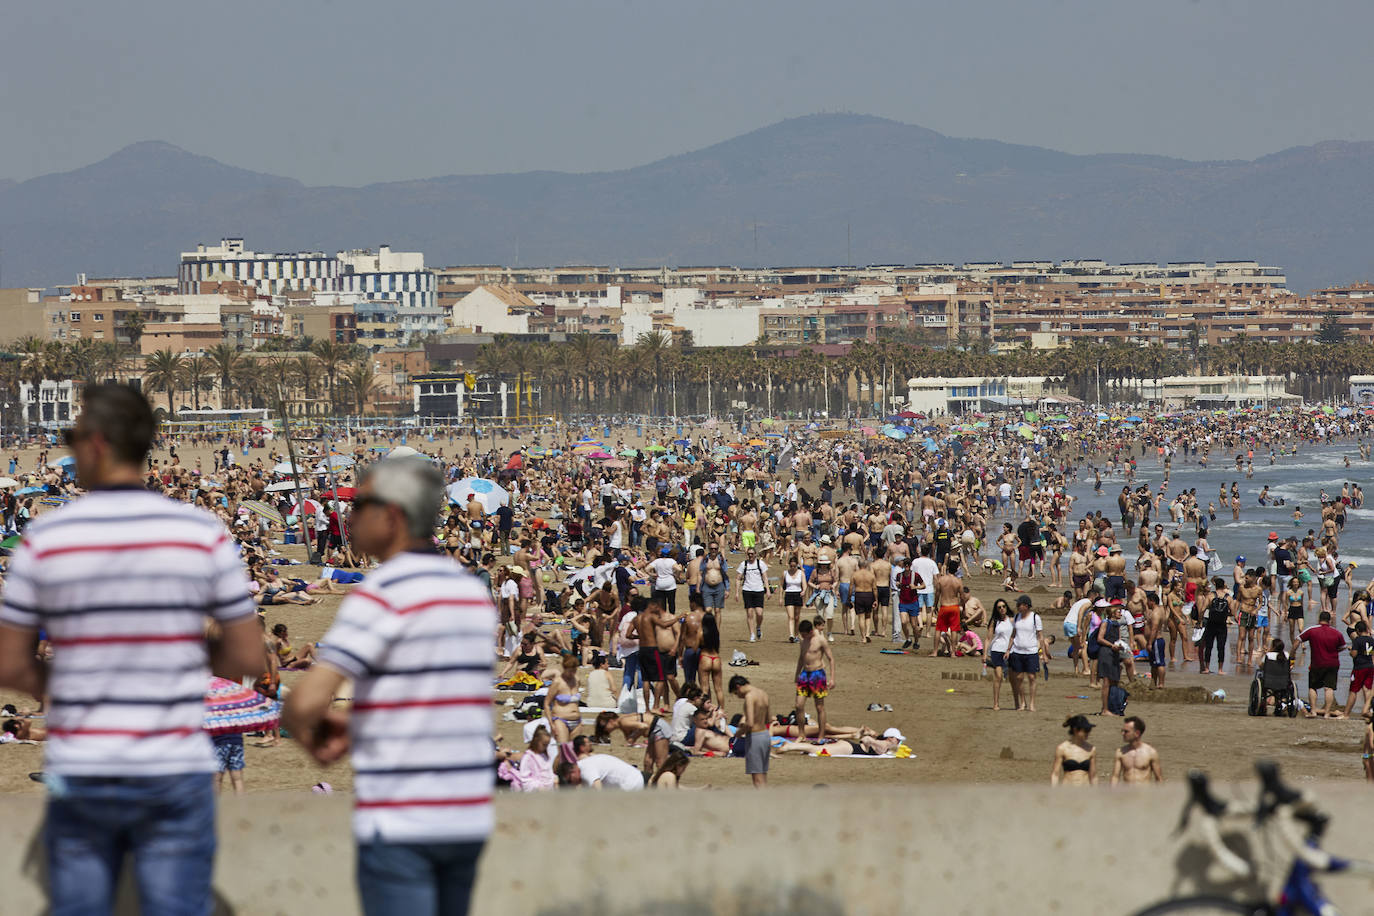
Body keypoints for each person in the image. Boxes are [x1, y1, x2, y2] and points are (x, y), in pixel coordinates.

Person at [0, 384, 264, 916]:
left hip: (85, 764)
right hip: (174, 762)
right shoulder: (200, 532)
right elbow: (246, 656)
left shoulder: (45, 539)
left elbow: (9, 662)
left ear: (96, 443)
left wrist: (74, 685)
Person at [284, 457, 497, 916]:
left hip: (402, 817)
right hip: (468, 813)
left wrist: (315, 733)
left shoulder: (384, 592)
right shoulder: (470, 593)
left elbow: (304, 701)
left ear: (392, 516)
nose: (351, 514)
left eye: (361, 504)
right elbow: (431, 705)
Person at [1299, 610, 1348, 718]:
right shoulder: (1336, 632)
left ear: (1319, 619)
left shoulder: (1312, 630)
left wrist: (1292, 656)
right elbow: (1343, 647)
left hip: (1317, 663)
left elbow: (1298, 639)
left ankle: (1313, 711)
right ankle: (1326, 713)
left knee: (1313, 687)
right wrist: (1332, 651)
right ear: (1329, 620)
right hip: (1333, 663)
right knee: (1329, 688)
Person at [793, 619, 834, 743]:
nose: (803, 637)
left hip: (818, 674)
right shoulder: (803, 641)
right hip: (805, 674)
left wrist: (832, 678)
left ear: (810, 631)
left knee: (819, 707)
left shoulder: (820, 640)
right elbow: (801, 658)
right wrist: (796, 675)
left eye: (805, 635)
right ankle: (801, 734)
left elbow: (831, 658)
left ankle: (821, 736)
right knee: (798, 705)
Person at [729, 675, 770, 788]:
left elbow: (750, 723)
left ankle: (762, 804)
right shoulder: (763, 693)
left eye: (736, 693)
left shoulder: (749, 697)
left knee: (757, 779)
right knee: (763, 775)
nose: (738, 697)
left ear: (738, 687)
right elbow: (768, 719)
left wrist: (739, 732)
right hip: (765, 735)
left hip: (755, 737)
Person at [1007, 595, 1047, 712]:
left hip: (1031, 651)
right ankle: (1023, 702)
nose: (1017, 607)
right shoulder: (1017, 617)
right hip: (1017, 651)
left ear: (1026, 606)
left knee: (1031, 677)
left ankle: (1032, 703)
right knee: (1019, 678)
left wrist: (1043, 654)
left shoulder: (1035, 617)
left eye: (1019, 604)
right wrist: (1008, 650)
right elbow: (1013, 635)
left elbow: (1040, 636)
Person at [1111, 716, 1162, 785]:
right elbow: (1115, 777)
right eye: (1122, 731)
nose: (1123, 734)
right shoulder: (1120, 752)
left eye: (1126, 731)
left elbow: (1158, 779)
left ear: (1137, 733)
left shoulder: (1151, 753)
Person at [736, 547, 771, 642]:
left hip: (759, 590)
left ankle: (758, 627)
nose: (750, 555)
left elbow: (765, 578)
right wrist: (737, 592)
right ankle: (752, 634)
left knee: (759, 613)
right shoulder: (744, 564)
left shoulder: (761, 564)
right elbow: (738, 578)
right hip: (747, 590)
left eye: (752, 553)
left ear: (755, 554)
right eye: (749, 554)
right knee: (749, 613)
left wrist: (768, 590)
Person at [1051, 715, 1097, 786]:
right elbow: (1055, 774)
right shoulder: (1062, 748)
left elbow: (1093, 775)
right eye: (1086, 730)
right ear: (1075, 730)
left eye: (1089, 730)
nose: (1088, 733)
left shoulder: (1091, 749)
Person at [984, 600, 1013, 711]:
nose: (1002, 609)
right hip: (996, 650)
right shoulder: (994, 621)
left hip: (1009, 651)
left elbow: (1015, 635)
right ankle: (996, 703)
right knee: (998, 677)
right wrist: (985, 654)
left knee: (1015, 678)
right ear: (996, 609)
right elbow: (988, 639)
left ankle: (1020, 702)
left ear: (1006, 607)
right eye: (999, 607)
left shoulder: (1012, 620)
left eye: (1003, 606)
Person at [1345, 621, 1374, 720]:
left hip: (1359, 667)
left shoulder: (1357, 640)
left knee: (1353, 690)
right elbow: (1369, 652)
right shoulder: (1371, 640)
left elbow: (1354, 654)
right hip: (1370, 666)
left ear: (1357, 631)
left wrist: (1350, 651)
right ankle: (1368, 710)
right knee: (1367, 689)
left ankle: (1346, 714)